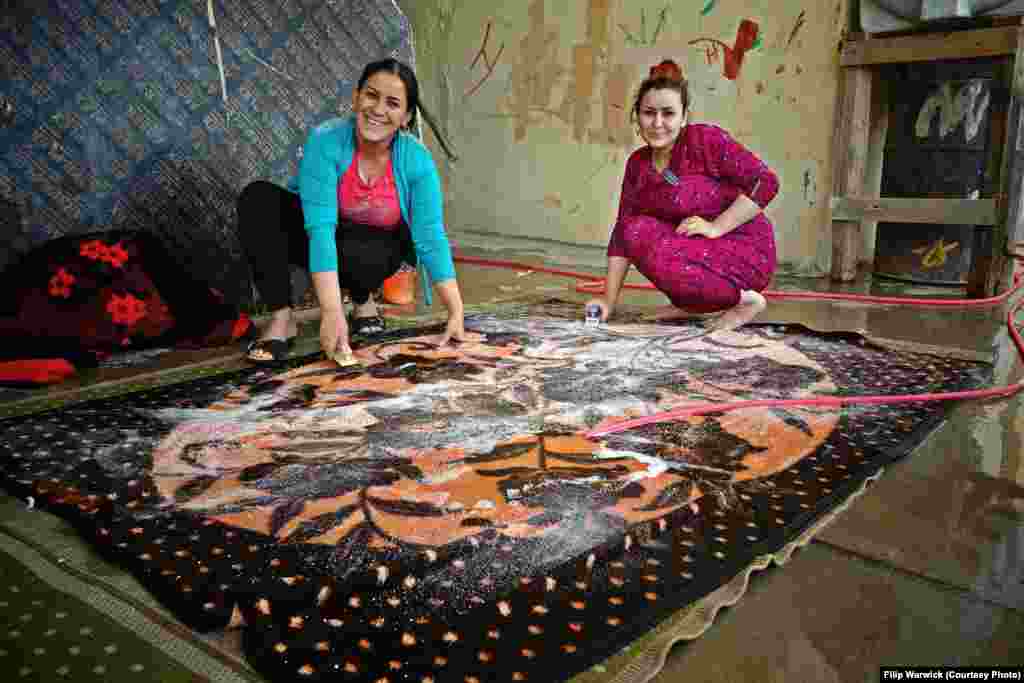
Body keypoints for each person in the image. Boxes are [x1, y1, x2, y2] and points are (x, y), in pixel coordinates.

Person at [238, 58, 479, 364]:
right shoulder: (326, 141)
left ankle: (363, 299)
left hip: (374, 252)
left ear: (405, 117)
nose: (378, 110)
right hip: (324, 237)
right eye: (371, 95)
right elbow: (320, 229)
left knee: (382, 242)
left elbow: (430, 237)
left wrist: (456, 311)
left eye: (392, 103)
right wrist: (330, 313)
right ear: (356, 98)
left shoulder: (416, 160)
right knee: (259, 199)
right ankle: (283, 319)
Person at [586, 59, 779, 331]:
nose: (657, 123)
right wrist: (608, 300)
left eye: (668, 113)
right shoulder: (638, 164)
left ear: (684, 117)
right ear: (637, 117)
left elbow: (765, 182)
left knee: (664, 250)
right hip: (691, 248)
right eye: (648, 113)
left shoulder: (705, 140)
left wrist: (717, 227)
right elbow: (622, 235)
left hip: (743, 248)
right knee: (633, 230)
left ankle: (744, 300)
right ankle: (690, 304)